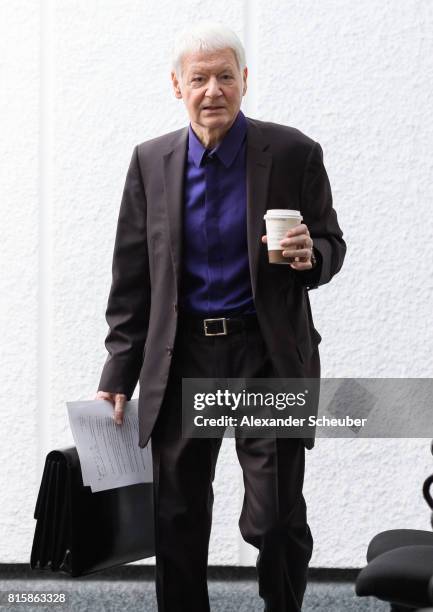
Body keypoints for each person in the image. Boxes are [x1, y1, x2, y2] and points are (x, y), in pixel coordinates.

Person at [96, 20, 346, 612]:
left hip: (264, 355)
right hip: (183, 359)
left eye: (226, 77)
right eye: (200, 78)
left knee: (275, 520)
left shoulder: (291, 152)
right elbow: (133, 277)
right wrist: (117, 374)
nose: (214, 90)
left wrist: (314, 258)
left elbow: (332, 242)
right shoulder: (150, 161)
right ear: (177, 85)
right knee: (177, 520)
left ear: (245, 82)